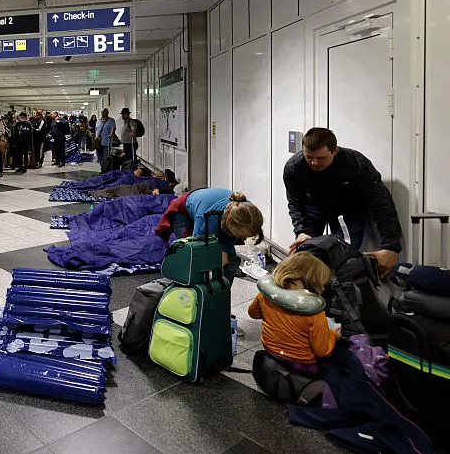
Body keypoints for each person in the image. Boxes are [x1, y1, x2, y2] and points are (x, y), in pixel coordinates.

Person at [285, 127, 401, 277]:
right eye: (309, 157)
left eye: (320, 158)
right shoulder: (294, 167)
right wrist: (301, 231)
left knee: (344, 260)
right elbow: (295, 201)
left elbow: (381, 203)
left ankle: (339, 294)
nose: (314, 162)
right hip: (313, 207)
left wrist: (391, 246)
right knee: (305, 256)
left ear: (334, 151)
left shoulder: (356, 164)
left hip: (347, 211)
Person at [248, 252, 340, 364]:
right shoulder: (313, 312)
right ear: (312, 284)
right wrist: (333, 335)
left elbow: (253, 313)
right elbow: (322, 351)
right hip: (302, 363)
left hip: (270, 351)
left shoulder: (265, 296)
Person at [155, 188, 265, 280]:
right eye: (241, 236)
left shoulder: (249, 212)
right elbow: (197, 251)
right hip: (184, 211)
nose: (244, 239)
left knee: (230, 265)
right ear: (231, 225)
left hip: (216, 211)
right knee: (190, 254)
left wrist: (224, 255)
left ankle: (221, 297)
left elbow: (225, 253)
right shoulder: (208, 219)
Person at [95, 108, 117, 173]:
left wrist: (112, 133)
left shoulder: (111, 120)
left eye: (105, 112)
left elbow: (114, 128)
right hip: (99, 142)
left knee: (106, 157)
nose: (103, 113)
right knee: (99, 157)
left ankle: (105, 170)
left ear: (108, 113)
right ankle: (103, 168)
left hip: (106, 142)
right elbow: (96, 129)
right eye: (102, 112)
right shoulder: (98, 121)